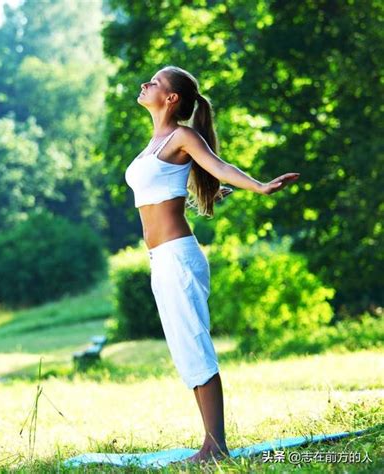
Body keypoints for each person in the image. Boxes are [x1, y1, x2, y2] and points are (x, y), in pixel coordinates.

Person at [124, 65, 300, 465]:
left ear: (171, 99)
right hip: (160, 259)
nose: (144, 85)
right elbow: (170, 187)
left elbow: (219, 166)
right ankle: (210, 442)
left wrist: (258, 185)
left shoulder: (183, 135)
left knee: (195, 345)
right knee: (184, 349)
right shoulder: (155, 142)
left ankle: (215, 447)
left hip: (177, 257)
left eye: (154, 82)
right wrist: (202, 192)